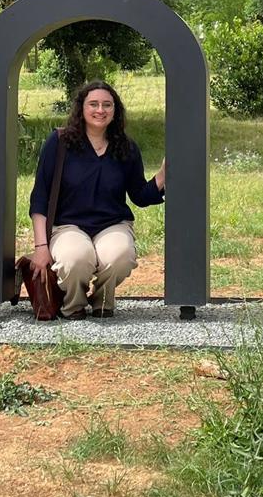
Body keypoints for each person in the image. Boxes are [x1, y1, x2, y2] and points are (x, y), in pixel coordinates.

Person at [26, 80, 167, 318]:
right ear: (81, 108)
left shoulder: (126, 147)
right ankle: (74, 305)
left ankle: (101, 300)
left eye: (107, 105)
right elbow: (40, 197)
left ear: (115, 110)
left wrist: (162, 175)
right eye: (93, 104)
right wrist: (41, 247)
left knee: (120, 257)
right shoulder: (59, 143)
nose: (100, 110)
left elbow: (140, 196)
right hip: (68, 225)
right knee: (75, 259)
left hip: (112, 224)